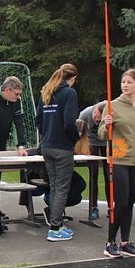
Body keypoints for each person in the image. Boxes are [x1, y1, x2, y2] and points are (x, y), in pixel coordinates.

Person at [98, 68, 135, 258]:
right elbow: (100, 133)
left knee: (130, 203)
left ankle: (125, 241)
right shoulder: (112, 105)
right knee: (121, 202)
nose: (125, 85)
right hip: (119, 159)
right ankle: (110, 242)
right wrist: (106, 124)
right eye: (123, 82)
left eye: (130, 82)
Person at [35, 63, 79, 242]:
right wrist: (74, 138)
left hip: (47, 146)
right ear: (72, 78)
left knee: (54, 186)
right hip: (62, 147)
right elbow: (70, 122)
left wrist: (47, 134)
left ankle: (58, 224)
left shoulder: (46, 92)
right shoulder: (69, 93)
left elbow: (38, 120)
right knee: (62, 188)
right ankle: (55, 227)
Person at [78, 100, 109, 220]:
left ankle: (111, 207)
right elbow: (79, 133)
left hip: (107, 142)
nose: (96, 118)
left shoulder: (111, 112)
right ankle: (93, 207)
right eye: (95, 115)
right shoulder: (85, 113)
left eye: (99, 119)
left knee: (109, 176)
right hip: (92, 142)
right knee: (93, 174)